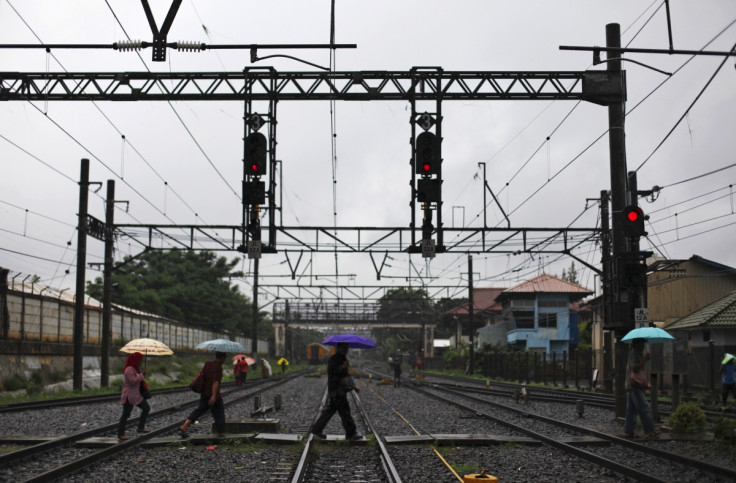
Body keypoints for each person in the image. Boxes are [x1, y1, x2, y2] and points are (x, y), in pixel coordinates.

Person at [310, 342, 363, 441]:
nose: (346, 349)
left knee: (330, 411)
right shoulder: (334, 359)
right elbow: (332, 372)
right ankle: (351, 433)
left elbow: (346, 375)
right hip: (337, 390)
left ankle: (316, 430)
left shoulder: (342, 358)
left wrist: (354, 386)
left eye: (347, 347)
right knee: (345, 411)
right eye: (344, 347)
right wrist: (342, 367)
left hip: (340, 389)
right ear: (339, 348)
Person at [180, 351, 227, 438]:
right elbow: (215, 382)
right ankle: (221, 433)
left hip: (204, 393)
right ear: (223, 358)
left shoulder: (207, 364)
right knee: (219, 413)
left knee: (199, 411)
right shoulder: (218, 367)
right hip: (214, 395)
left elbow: (203, 376)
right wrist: (213, 396)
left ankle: (184, 426)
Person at [622, 338, 658, 438]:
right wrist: (645, 360)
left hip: (632, 385)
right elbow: (634, 368)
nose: (643, 345)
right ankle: (649, 430)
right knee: (644, 408)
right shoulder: (634, 353)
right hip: (634, 385)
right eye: (642, 343)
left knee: (631, 410)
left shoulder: (636, 353)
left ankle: (628, 431)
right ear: (637, 344)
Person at [117, 352, 151, 440]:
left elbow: (137, 380)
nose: (141, 362)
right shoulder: (129, 370)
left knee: (146, 408)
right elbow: (132, 381)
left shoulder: (135, 369)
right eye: (140, 360)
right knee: (126, 414)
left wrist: (141, 374)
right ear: (136, 360)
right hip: (129, 396)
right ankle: (121, 434)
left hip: (136, 395)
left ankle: (140, 427)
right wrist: (141, 375)